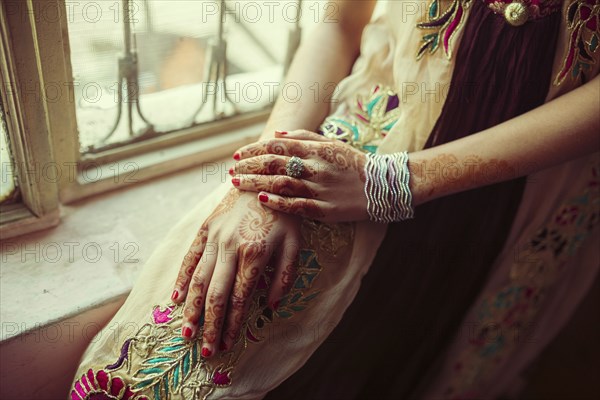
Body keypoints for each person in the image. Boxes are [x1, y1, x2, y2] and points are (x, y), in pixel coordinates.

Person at [70, 1, 599, 399]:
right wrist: (268, 178)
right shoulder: (308, 182)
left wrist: (393, 183)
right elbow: (340, 20)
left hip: (535, 198)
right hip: (355, 159)